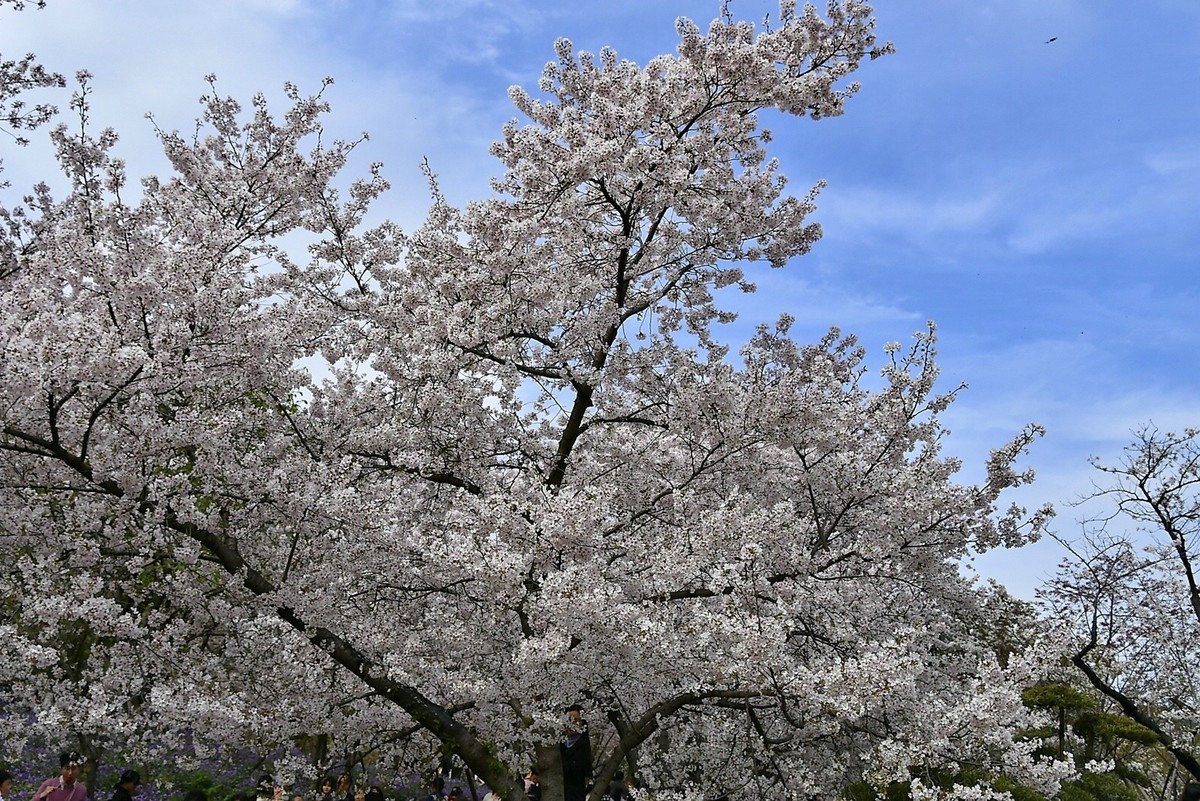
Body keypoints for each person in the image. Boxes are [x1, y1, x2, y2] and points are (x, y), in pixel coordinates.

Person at [560, 706, 592, 801]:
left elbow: (574, 768)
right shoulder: (558, 743)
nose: (571, 724)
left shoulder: (583, 745)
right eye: (569, 720)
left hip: (574, 794)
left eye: (576, 720)